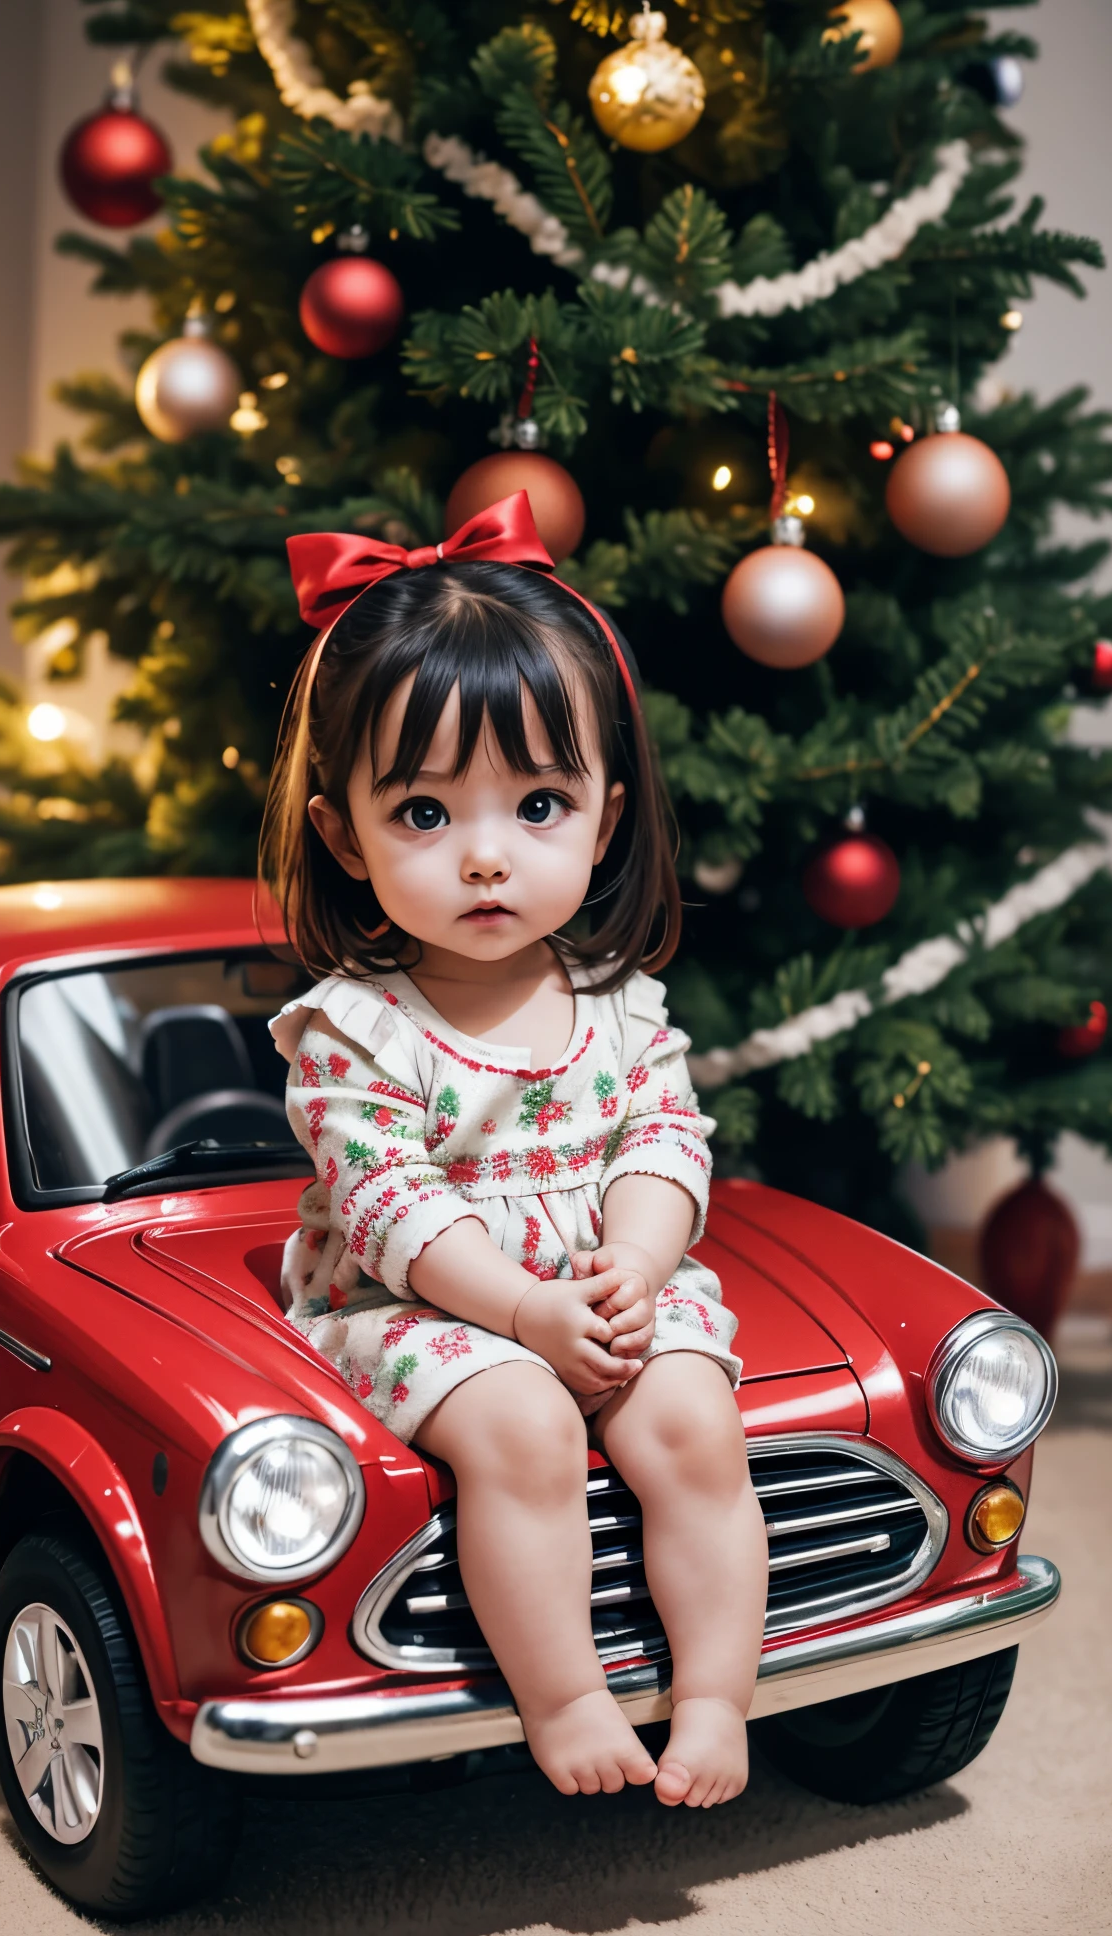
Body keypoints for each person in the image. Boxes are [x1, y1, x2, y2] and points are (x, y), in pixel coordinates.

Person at [260, 494, 768, 1808]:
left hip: (601, 1287)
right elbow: (385, 1204)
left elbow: (665, 1138)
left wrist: (637, 1268)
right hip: (428, 1305)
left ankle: (716, 1692)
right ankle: (567, 1697)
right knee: (527, 1428)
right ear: (343, 837)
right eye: (425, 816)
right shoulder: (356, 1028)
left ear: (604, 819)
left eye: (538, 803)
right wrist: (529, 1309)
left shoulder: (617, 1005)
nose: (487, 860)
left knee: (696, 1426)